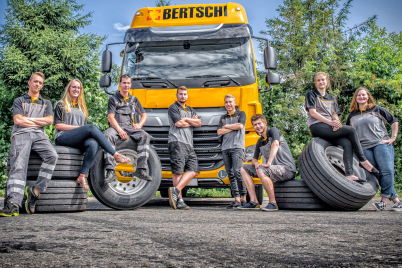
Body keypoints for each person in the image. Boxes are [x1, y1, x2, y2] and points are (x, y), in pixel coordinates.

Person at [54, 79, 131, 190]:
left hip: (76, 139)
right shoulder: (61, 105)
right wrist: (79, 128)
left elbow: (83, 131)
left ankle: (82, 175)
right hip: (63, 137)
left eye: (79, 88)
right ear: (69, 89)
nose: (76, 90)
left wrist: (82, 130)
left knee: (93, 143)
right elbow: (58, 125)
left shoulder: (81, 107)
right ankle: (115, 154)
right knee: (91, 128)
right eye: (74, 87)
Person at [0, 72, 58, 217]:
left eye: (40, 83)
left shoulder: (46, 103)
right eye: (35, 81)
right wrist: (38, 121)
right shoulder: (19, 101)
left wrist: (28, 119)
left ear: (42, 85)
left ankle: (34, 192)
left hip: (39, 135)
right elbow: (18, 121)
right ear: (29, 82)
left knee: (53, 156)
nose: (37, 84)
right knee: (19, 163)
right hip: (21, 133)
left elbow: (50, 121)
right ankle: (13, 204)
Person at [305, 72, 378, 182]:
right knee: (351, 130)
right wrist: (330, 123)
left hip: (330, 126)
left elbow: (335, 115)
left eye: (323, 80)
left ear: (327, 81)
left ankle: (349, 174)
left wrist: (337, 123)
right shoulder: (311, 94)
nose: (321, 82)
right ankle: (363, 161)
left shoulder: (331, 97)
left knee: (347, 143)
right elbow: (313, 113)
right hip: (317, 126)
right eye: (318, 80)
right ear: (316, 82)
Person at [347, 87, 401, 211]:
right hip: (363, 148)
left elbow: (394, 121)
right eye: (359, 95)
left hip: (380, 143)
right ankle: (397, 201)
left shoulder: (376, 109)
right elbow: (350, 133)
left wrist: (393, 137)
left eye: (363, 95)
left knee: (386, 170)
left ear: (368, 96)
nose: (361, 97)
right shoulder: (352, 115)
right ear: (355, 98)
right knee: (377, 173)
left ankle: (383, 201)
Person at [238, 114, 296, 211]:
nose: (257, 126)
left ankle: (273, 203)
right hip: (272, 170)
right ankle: (254, 201)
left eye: (259, 123)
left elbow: (275, 143)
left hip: (287, 169)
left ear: (265, 123)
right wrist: (256, 163)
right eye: (255, 125)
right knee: (243, 168)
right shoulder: (260, 141)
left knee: (262, 169)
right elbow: (254, 159)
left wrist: (268, 163)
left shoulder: (273, 131)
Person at [104, 74, 152, 182]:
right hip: (116, 127)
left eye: (128, 83)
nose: (126, 85)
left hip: (129, 127)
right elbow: (111, 117)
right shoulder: (113, 99)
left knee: (144, 135)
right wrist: (119, 130)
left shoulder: (134, 100)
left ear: (130, 85)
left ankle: (141, 169)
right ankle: (110, 170)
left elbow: (144, 115)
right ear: (120, 84)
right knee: (107, 135)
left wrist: (139, 125)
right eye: (124, 83)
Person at [167, 86, 202, 209]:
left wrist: (186, 119)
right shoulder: (173, 107)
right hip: (177, 142)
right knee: (178, 171)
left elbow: (199, 123)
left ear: (187, 96)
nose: (183, 96)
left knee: (194, 170)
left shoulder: (190, 109)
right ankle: (180, 200)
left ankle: (175, 191)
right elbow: (178, 123)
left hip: (188, 144)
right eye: (181, 94)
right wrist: (190, 121)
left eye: (185, 94)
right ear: (177, 95)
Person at [217, 94, 247, 209]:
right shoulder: (222, 117)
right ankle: (237, 200)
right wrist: (230, 127)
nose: (228, 104)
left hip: (237, 147)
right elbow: (219, 132)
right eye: (226, 102)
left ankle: (244, 198)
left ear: (235, 103)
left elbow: (240, 125)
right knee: (230, 174)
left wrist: (227, 127)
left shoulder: (241, 114)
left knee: (237, 172)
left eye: (230, 102)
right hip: (225, 148)